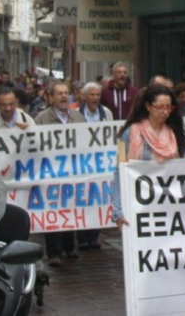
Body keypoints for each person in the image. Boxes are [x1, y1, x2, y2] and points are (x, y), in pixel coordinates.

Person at [112, 85, 185, 230]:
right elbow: (119, 172)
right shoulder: (131, 133)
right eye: (160, 107)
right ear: (148, 106)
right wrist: (118, 210)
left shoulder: (174, 133)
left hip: (167, 204)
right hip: (138, 204)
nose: (165, 112)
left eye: (168, 107)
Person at [35, 82, 86, 266]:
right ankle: (54, 252)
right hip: (51, 172)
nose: (64, 97)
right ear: (50, 97)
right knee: (53, 210)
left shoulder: (78, 117)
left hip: (72, 171)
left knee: (70, 209)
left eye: (66, 93)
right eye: (59, 94)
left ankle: (70, 247)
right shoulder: (42, 118)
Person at [78, 82, 112, 251]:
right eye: (92, 95)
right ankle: (82, 236)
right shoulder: (77, 114)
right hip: (82, 161)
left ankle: (94, 235)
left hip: (100, 162)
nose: (95, 98)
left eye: (98, 95)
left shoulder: (107, 113)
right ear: (85, 96)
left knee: (97, 197)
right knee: (83, 198)